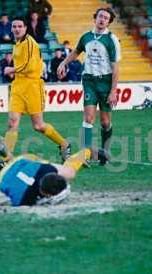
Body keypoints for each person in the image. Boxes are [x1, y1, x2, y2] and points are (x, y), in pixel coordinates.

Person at [0, 17, 71, 171]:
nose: (16, 29)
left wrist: (11, 69)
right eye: (14, 26)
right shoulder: (17, 44)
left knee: (38, 126)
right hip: (18, 86)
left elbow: (29, 66)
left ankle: (64, 144)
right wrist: (15, 73)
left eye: (19, 26)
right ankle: (6, 159)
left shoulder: (30, 43)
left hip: (33, 86)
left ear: (25, 28)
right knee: (12, 122)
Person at [57, 8, 120, 165]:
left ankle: (104, 152)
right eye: (100, 16)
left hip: (105, 82)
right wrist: (64, 63)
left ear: (109, 22)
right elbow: (76, 52)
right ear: (95, 18)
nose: (102, 20)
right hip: (89, 81)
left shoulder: (112, 40)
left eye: (106, 18)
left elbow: (116, 68)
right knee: (88, 119)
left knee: (105, 122)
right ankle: (85, 154)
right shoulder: (86, 37)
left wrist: (113, 91)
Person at [0, 140, 91, 206]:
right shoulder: (25, 200)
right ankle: (88, 151)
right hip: (9, 172)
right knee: (70, 172)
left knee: (69, 172)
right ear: (47, 195)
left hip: (14, 168)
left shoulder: (45, 170)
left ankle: (8, 157)